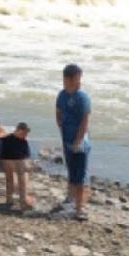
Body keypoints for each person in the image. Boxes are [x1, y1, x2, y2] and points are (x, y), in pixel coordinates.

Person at [55, 63, 91, 220]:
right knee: (71, 170)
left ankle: (79, 209)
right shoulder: (62, 95)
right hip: (67, 139)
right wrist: (62, 128)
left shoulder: (82, 97)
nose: (79, 81)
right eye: (78, 78)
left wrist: (77, 141)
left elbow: (85, 121)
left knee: (80, 175)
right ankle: (70, 199)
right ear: (68, 79)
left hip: (80, 142)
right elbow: (58, 113)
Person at [1, 122, 33, 209]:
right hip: (7, 160)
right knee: (10, 179)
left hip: (19, 160)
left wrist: (27, 165)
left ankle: (22, 201)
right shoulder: (6, 137)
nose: (25, 135)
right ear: (19, 130)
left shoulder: (24, 141)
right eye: (24, 133)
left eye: (26, 134)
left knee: (21, 178)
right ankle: (10, 200)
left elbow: (27, 156)